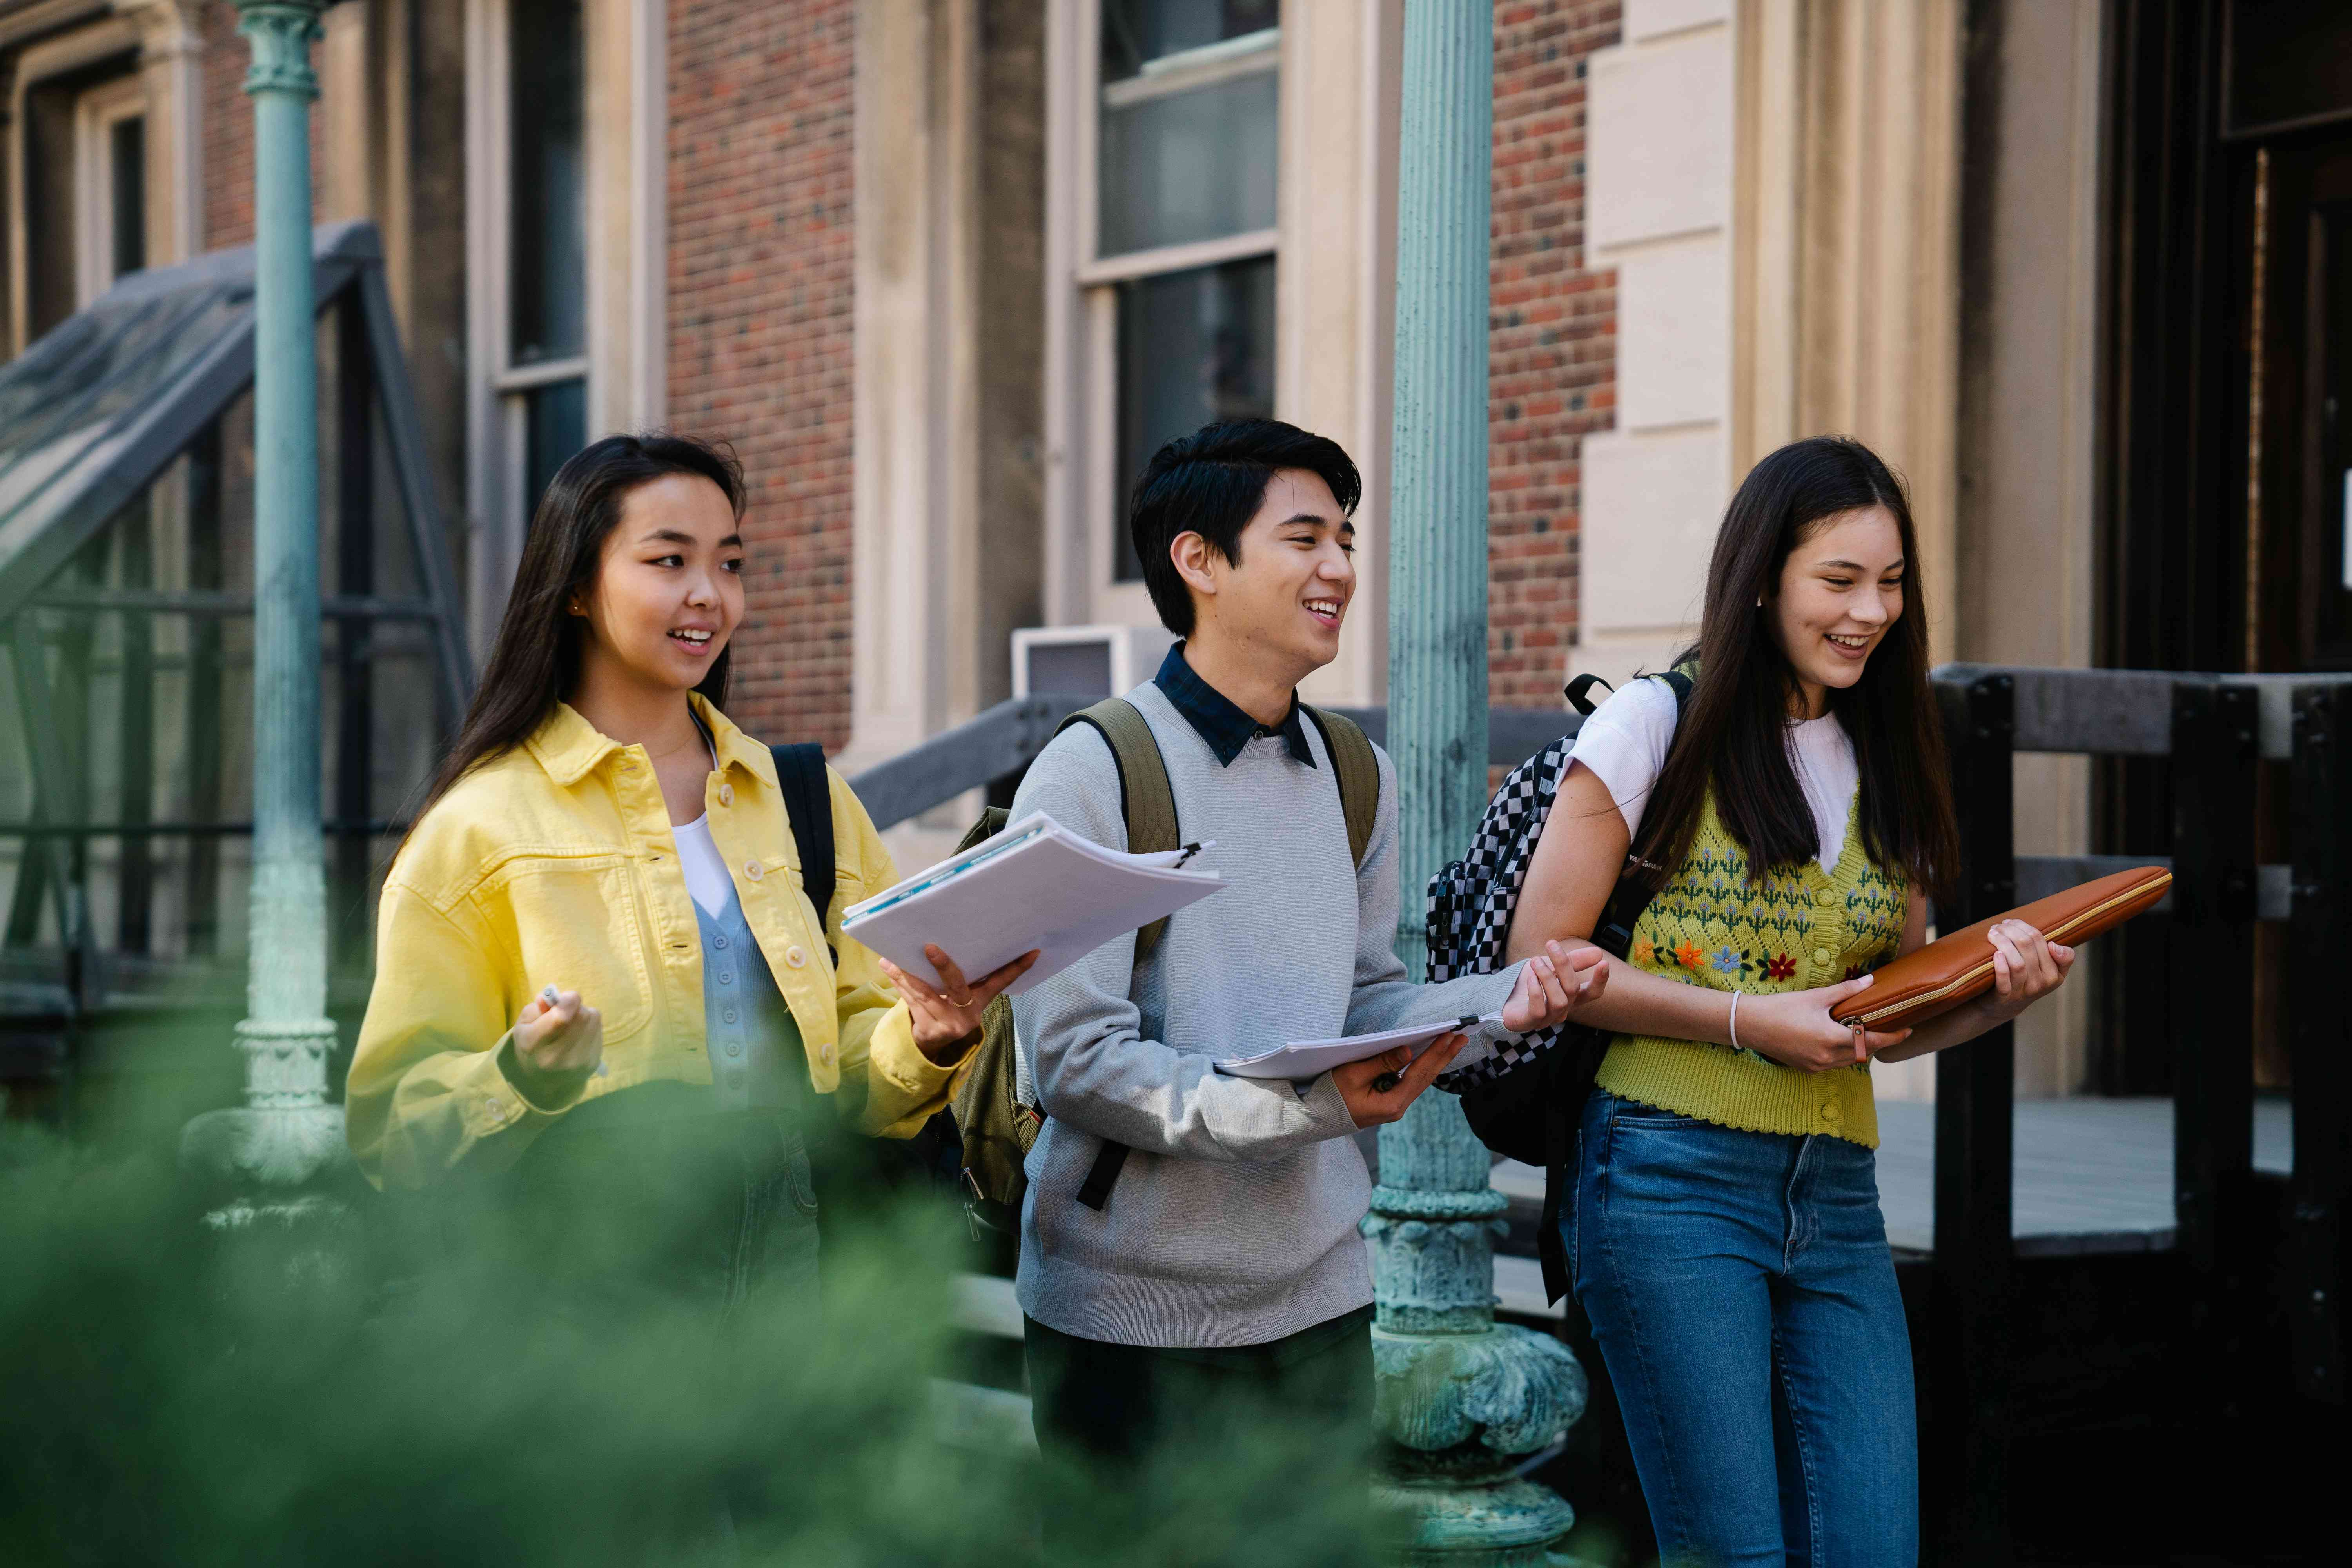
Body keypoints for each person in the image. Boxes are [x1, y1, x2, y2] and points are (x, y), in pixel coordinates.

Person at [1005, 418, 1608, 1550]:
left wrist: (1500, 1003)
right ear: (1199, 561)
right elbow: (1076, 1062)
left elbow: (1366, 1005)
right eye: (1305, 538)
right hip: (1129, 1315)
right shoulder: (1093, 771)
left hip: (1324, 1298)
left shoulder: (1351, 773)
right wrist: (1304, 1107)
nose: (1339, 568)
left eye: (1346, 539)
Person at [1503, 436, 2074, 1565]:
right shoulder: (1653, 726)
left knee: (1871, 1547)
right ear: (1763, 578)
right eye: (1841, 581)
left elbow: (1884, 1018)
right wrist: (1746, 1021)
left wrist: (2000, 995)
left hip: (1839, 1194)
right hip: (1666, 1182)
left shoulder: (1895, 748)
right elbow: (1545, 962)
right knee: (1735, 1556)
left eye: (1893, 582)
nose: (1872, 611)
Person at [345, 432, 1033, 1319]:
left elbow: (855, 1082)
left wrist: (933, 1035)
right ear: (578, 588)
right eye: (669, 561)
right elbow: (393, 1132)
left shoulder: (802, 798)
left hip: (800, 1275)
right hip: (583, 1292)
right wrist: (519, 1073)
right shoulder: (480, 827)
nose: (710, 595)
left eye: (730, 563)